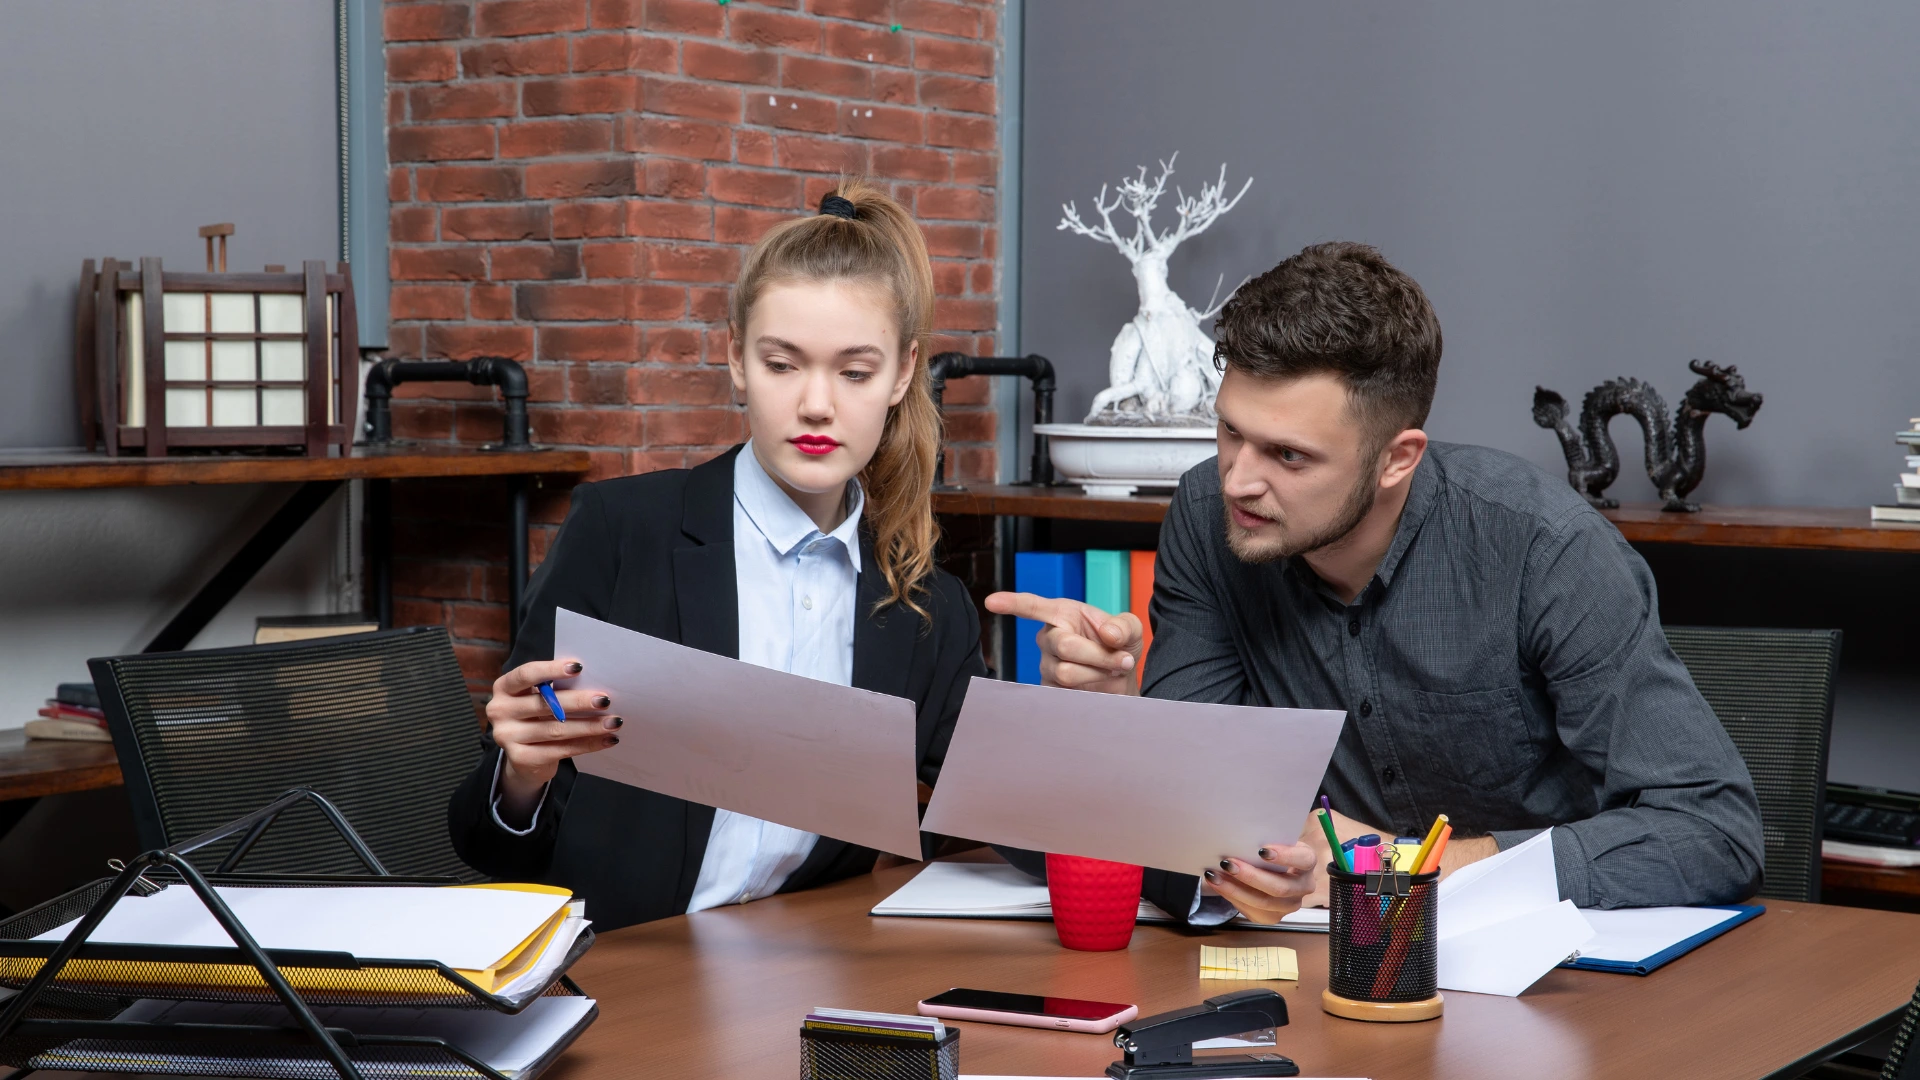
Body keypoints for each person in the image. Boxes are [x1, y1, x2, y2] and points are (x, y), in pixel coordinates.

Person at [988, 242, 1764, 925]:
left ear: (1398, 457)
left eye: (1289, 456)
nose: (1239, 481)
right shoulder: (1206, 515)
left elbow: (1713, 829)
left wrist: (1396, 869)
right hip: (1308, 977)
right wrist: (1114, 715)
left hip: (1544, 981)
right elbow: (1194, 803)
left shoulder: (1543, 547)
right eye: (1229, 431)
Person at [447, 182, 987, 930]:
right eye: (783, 364)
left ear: (902, 374)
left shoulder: (925, 603)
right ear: (736, 359)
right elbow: (484, 843)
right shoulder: (622, 531)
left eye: (855, 372)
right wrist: (521, 775)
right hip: (623, 976)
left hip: (802, 972)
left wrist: (1086, 699)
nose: (817, 405)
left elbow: (1012, 817)